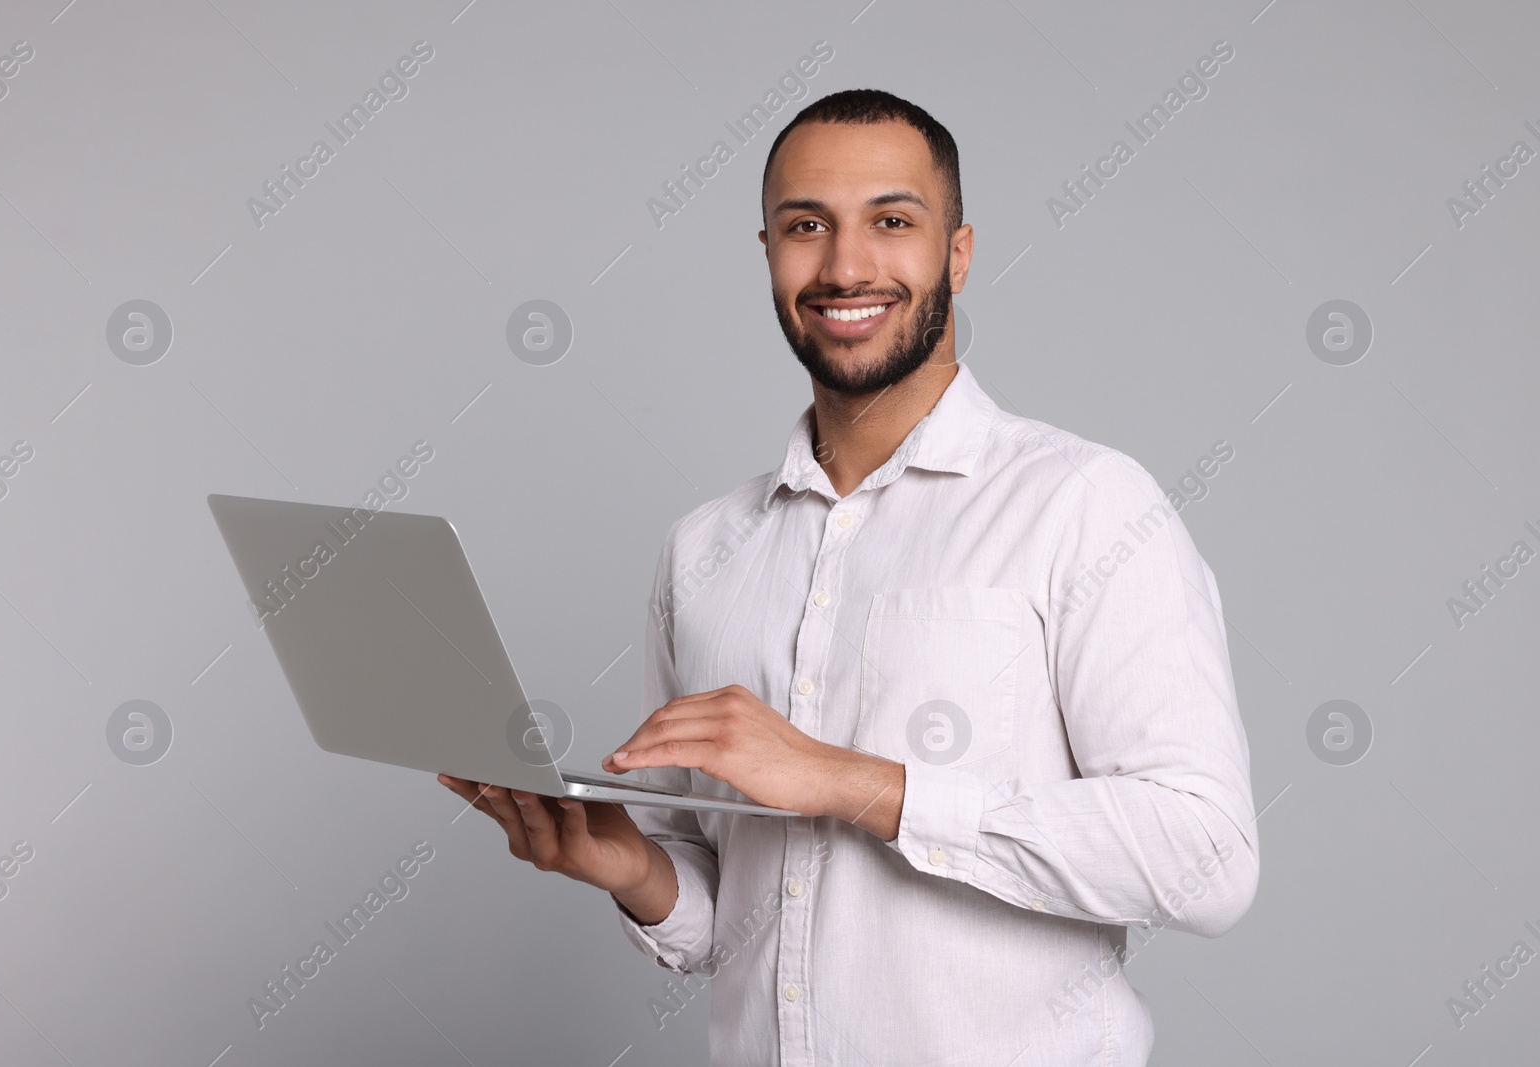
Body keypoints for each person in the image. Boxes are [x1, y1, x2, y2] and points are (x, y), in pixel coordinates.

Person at [440, 88, 1258, 1066]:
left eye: (892, 221)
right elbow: (724, 920)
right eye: (805, 226)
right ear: (768, 253)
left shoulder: (1085, 505)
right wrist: (630, 865)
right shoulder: (702, 551)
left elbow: (1206, 858)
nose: (845, 265)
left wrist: (848, 780)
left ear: (956, 251)